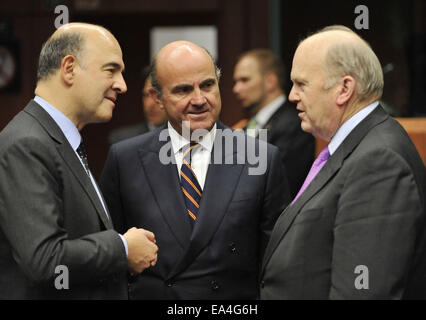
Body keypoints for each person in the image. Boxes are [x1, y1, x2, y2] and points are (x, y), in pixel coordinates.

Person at [100, 40, 290, 299]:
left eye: (208, 85)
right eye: (183, 90)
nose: (199, 100)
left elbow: (278, 266)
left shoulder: (260, 157)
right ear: (157, 98)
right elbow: (110, 259)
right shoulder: (125, 159)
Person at [260, 25, 426, 299]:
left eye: (301, 84)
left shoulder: (378, 161)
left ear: (344, 89)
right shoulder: (359, 145)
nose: (291, 96)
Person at [0, 23, 158, 299]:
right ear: (69, 68)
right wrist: (122, 248)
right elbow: (45, 260)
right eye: (111, 70)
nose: (122, 85)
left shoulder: (55, 139)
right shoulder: (27, 143)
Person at [233, 49, 315, 198]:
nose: (236, 89)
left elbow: (276, 187)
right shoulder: (246, 125)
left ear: (270, 81)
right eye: (236, 82)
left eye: (244, 80)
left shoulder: (295, 125)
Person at [108, 65, 167, 144]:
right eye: (146, 95)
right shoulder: (124, 142)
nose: (150, 104)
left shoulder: (186, 137)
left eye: (157, 95)